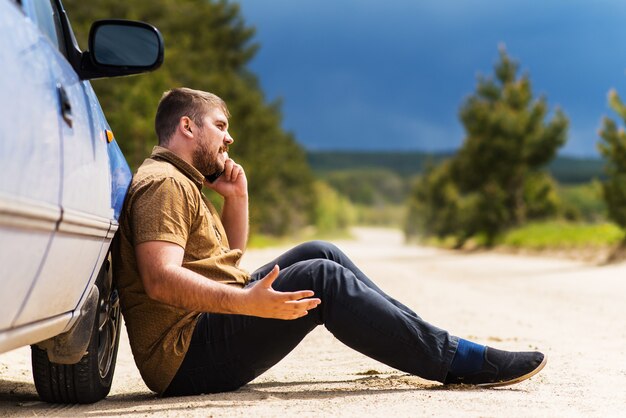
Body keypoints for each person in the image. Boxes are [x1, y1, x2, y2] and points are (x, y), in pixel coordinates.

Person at [114, 87, 546, 397]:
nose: (229, 139)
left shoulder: (183, 180)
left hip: (201, 329)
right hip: (182, 357)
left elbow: (226, 260)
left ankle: (425, 338)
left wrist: (237, 197)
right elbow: (160, 279)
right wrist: (248, 303)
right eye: (221, 126)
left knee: (320, 251)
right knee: (321, 278)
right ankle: (458, 361)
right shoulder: (163, 185)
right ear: (187, 127)